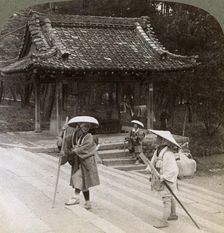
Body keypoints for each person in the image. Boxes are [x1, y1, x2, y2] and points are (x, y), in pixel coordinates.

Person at [58, 116, 100, 210]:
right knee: (83, 182)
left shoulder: (88, 136)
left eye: (88, 127)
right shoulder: (73, 136)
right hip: (77, 161)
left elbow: (83, 149)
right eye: (84, 126)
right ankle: (87, 202)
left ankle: (75, 197)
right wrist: (62, 132)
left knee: (77, 177)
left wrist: (69, 152)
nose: (86, 128)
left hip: (87, 161)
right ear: (78, 126)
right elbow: (63, 143)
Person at [148, 129, 180, 228]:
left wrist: (164, 177)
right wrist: (151, 173)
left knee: (167, 199)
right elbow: (152, 163)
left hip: (168, 179)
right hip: (161, 177)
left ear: (164, 141)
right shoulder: (158, 151)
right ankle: (173, 214)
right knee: (171, 196)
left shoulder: (168, 153)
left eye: (159, 138)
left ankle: (164, 221)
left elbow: (173, 170)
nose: (156, 139)